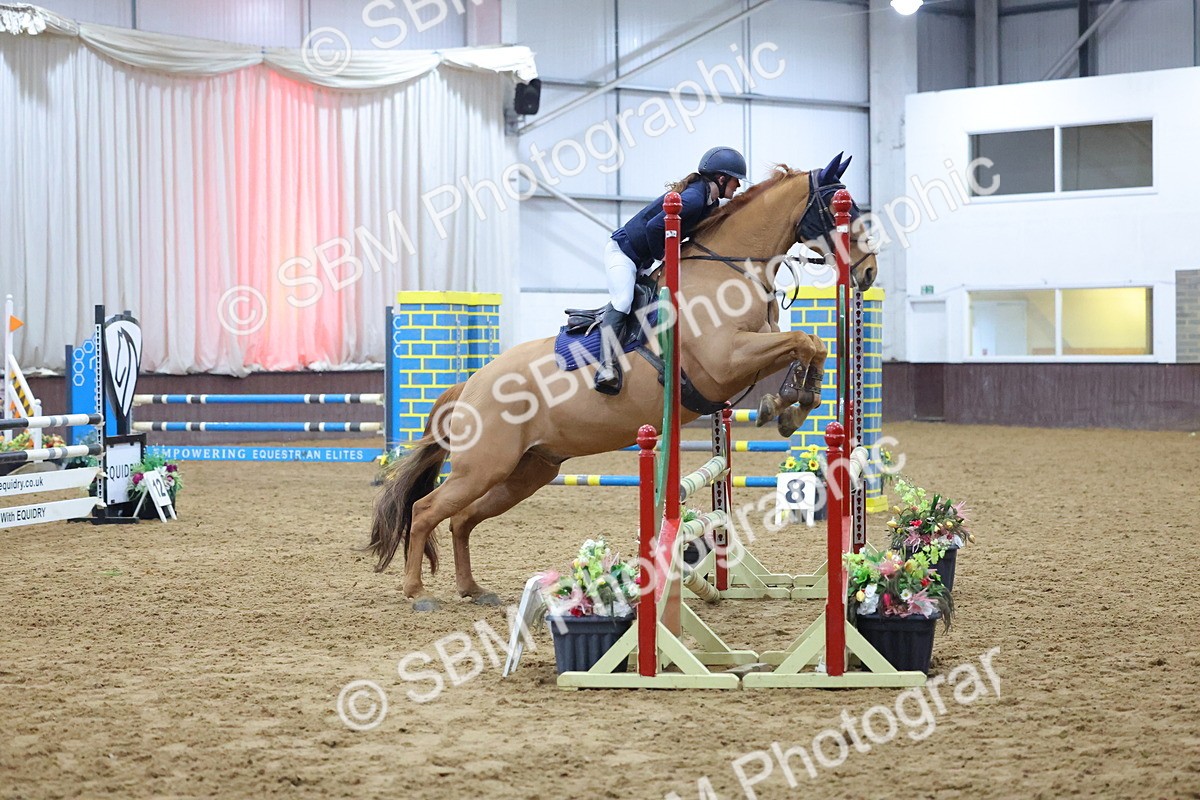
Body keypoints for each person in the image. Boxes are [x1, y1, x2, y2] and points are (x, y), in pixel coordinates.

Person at [594, 146, 748, 394]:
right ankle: (606, 367)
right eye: (735, 180)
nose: (738, 186)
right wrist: (664, 256)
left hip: (642, 260)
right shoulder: (694, 199)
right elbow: (656, 227)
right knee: (623, 301)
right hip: (623, 252)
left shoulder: (709, 201)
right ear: (721, 178)